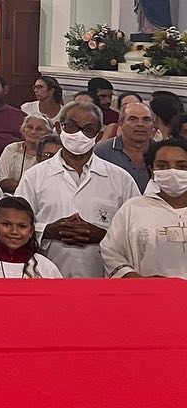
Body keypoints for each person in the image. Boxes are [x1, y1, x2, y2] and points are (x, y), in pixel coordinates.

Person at [16, 102, 141, 278]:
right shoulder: (34, 176)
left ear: (98, 136)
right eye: (72, 127)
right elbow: (15, 225)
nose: (79, 135)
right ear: (59, 128)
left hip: (101, 277)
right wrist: (49, 230)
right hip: (45, 276)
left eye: (88, 130)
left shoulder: (120, 179)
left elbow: (137, 230)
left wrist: (104, 235)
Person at [101, 138, 187, 278]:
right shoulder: (133, 208)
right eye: (163, 166)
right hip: (147, 294)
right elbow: (111, 251)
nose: (172, 172)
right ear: (152, 170)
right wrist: (134, 279)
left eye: (182, 166)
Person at [0, 197, 62, 278]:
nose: (14, 232)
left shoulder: (46, 268)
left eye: (22, 226)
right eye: (6, 224)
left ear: (31, 230)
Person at [93, 100, 155, 191]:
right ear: (121, 123)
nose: (140, 124)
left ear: (153, 124)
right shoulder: (101, 152)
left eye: (146, 120)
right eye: (133, 119)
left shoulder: (161, 152)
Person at [0, 115, 54, 194]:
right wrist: (30, 188)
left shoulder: (50, 155)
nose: (33, 132)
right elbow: (1, 181)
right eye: (30, 127)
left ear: (49, 133)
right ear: (23, 130)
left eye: (39, 129)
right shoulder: (12, 149)